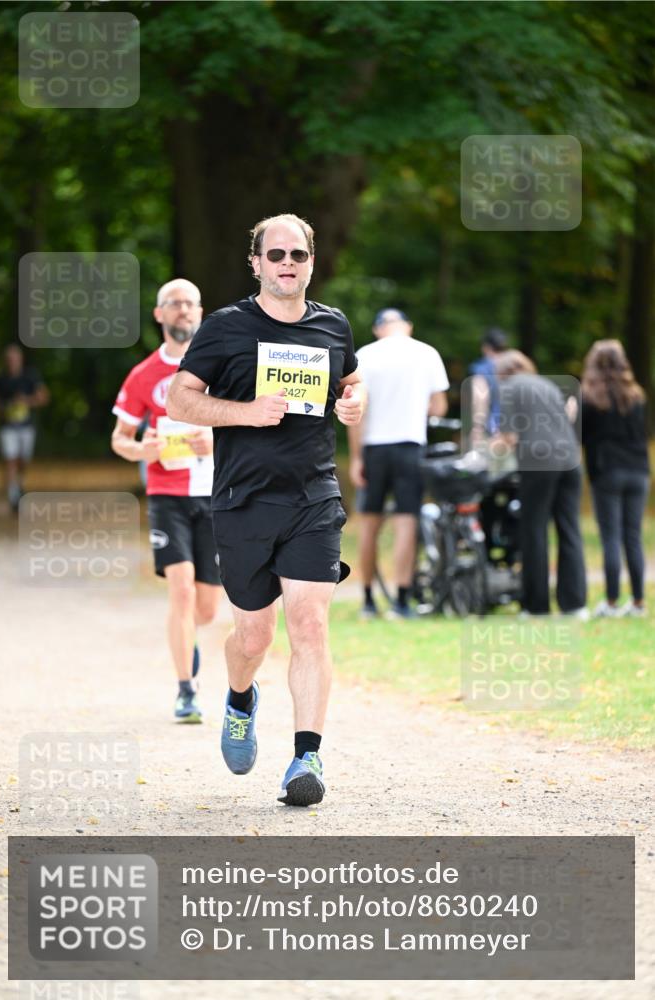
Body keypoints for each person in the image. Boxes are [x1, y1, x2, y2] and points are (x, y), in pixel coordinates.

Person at [166, 213, 364, 807]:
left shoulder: (333, 326)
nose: (286, 263)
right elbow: (179, 400)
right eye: (274, 254)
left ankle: (307, 758)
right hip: (243, 501)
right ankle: (240, 698)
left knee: (309, 623)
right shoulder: (227, 327)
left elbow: (352, 384)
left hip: (314, 497)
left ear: (311, 260)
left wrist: (354, 405)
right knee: (253, 636)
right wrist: (243, 412)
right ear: (255, 262)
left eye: (297, 255)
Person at [111, 279, 222, 723]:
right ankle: (186, 690)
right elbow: (120, 439)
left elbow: (247, 423)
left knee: (208, 608)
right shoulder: (143, 375)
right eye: (174, 304)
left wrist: (213, 439)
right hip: (167, 496)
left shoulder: (222, 367)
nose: (183, 311)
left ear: (200, 312)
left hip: (215, 495)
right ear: (159, 314)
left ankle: (185, 644)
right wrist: (143, 450)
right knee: (180, 592)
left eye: (191, 304)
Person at [348, 308, 449, 619]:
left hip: (374, 448)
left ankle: (367, 600)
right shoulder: (427, 353)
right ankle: (402, 600)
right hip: (409, 445)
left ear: (379, 329)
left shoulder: (364, 354)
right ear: (408, 326)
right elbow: (439, 406)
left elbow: (355, 411)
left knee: (369, 525)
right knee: (407, 522)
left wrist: (355, 457)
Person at [495, 350, 587, 617]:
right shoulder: (546, 384)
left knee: (534, 531)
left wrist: (488, 450)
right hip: (570, 459)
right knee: (569, 529)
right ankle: (575, 605)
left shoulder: (510, 388)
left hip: (539, 461)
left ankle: (536, 606)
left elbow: (509, 436)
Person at [581, 340, 650, 618]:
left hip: (607, 472)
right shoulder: (636, 395)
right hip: (639, 471)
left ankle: (610, 602)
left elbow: (582, 436)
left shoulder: (591, 396)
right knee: (633, 537)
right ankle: (638, 603)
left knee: (610, 537)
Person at [0, 343, 49, 511]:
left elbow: (44, 398)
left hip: (26, 427)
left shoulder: (30, 376)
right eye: (8, 359)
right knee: (10, 460)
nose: (11, 362)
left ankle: (20, 486)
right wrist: (6, 409)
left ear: (20, 360)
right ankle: (13, 497)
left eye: (14, 359)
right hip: (7, 428)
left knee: (22, 460)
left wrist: (26, 401)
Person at [468, 327, 508, 446]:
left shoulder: (482, 368)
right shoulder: (514, 368)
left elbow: (480, 397)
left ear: (486, 347)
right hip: (515, 433)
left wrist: (477, 428)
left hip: (492, 432)